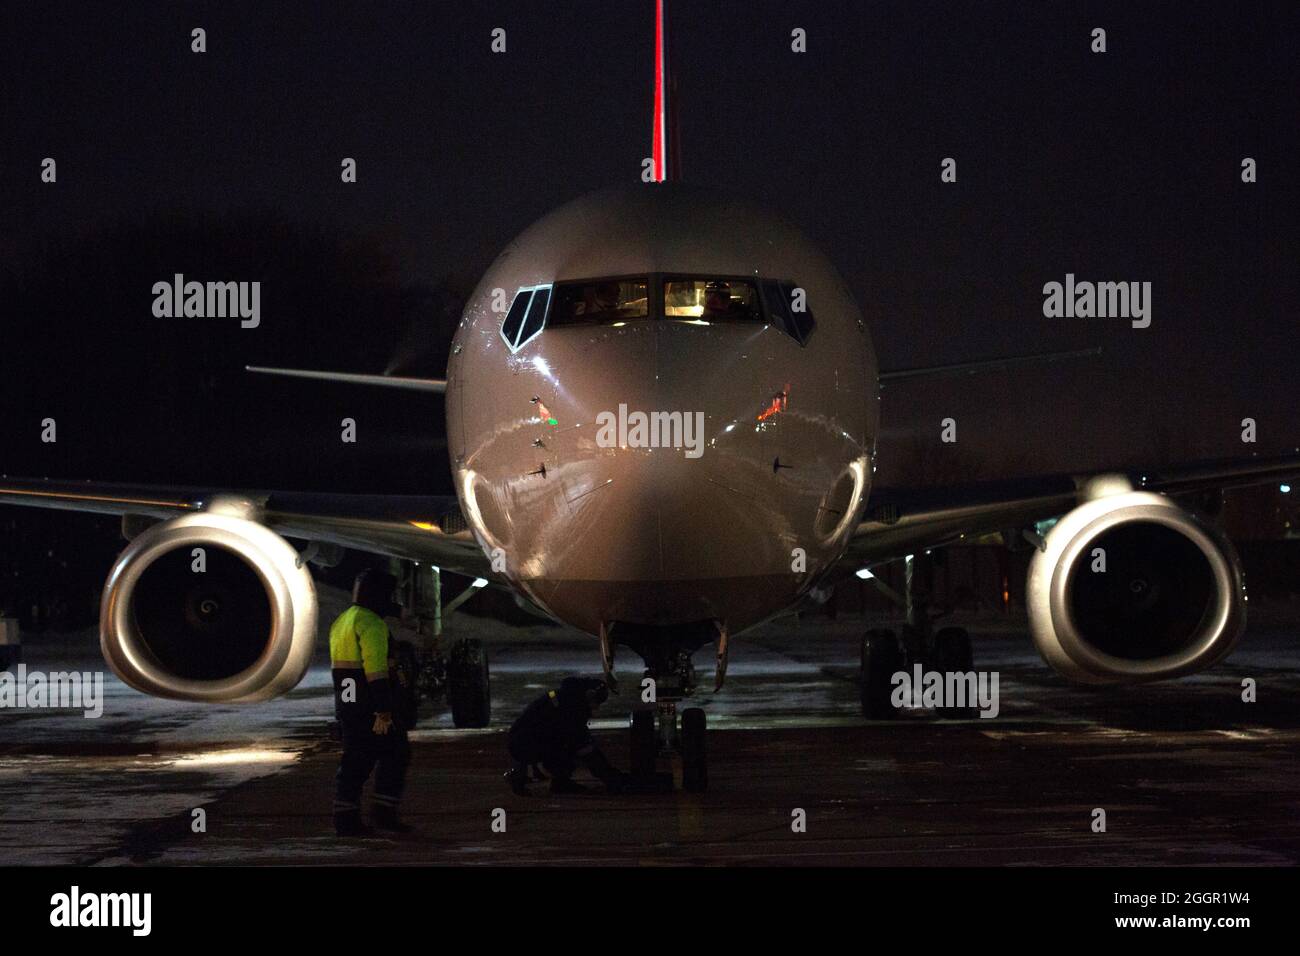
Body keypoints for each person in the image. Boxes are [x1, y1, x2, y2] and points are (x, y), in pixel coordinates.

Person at [330, 568, 413, 836]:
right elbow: (376, 671)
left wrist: (343, 711)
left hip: (348, 700)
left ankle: (345, 815)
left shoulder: (342, 621)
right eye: (390, 595)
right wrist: (384, 709)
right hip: (369, 704)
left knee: (355, 758)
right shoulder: (372, 624)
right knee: (396, 752)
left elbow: (343, 673)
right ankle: (383, 812)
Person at [505, 677, 627, 795]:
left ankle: (554, 779)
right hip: (525, 744)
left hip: (524, 740)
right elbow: (584, 746)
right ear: (589, 695)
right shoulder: (571, 708)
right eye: (595, 702)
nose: (595, 707)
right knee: (571, 747)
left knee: (567, 744)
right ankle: (533, 777)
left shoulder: (567, 698)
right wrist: (610, 778)